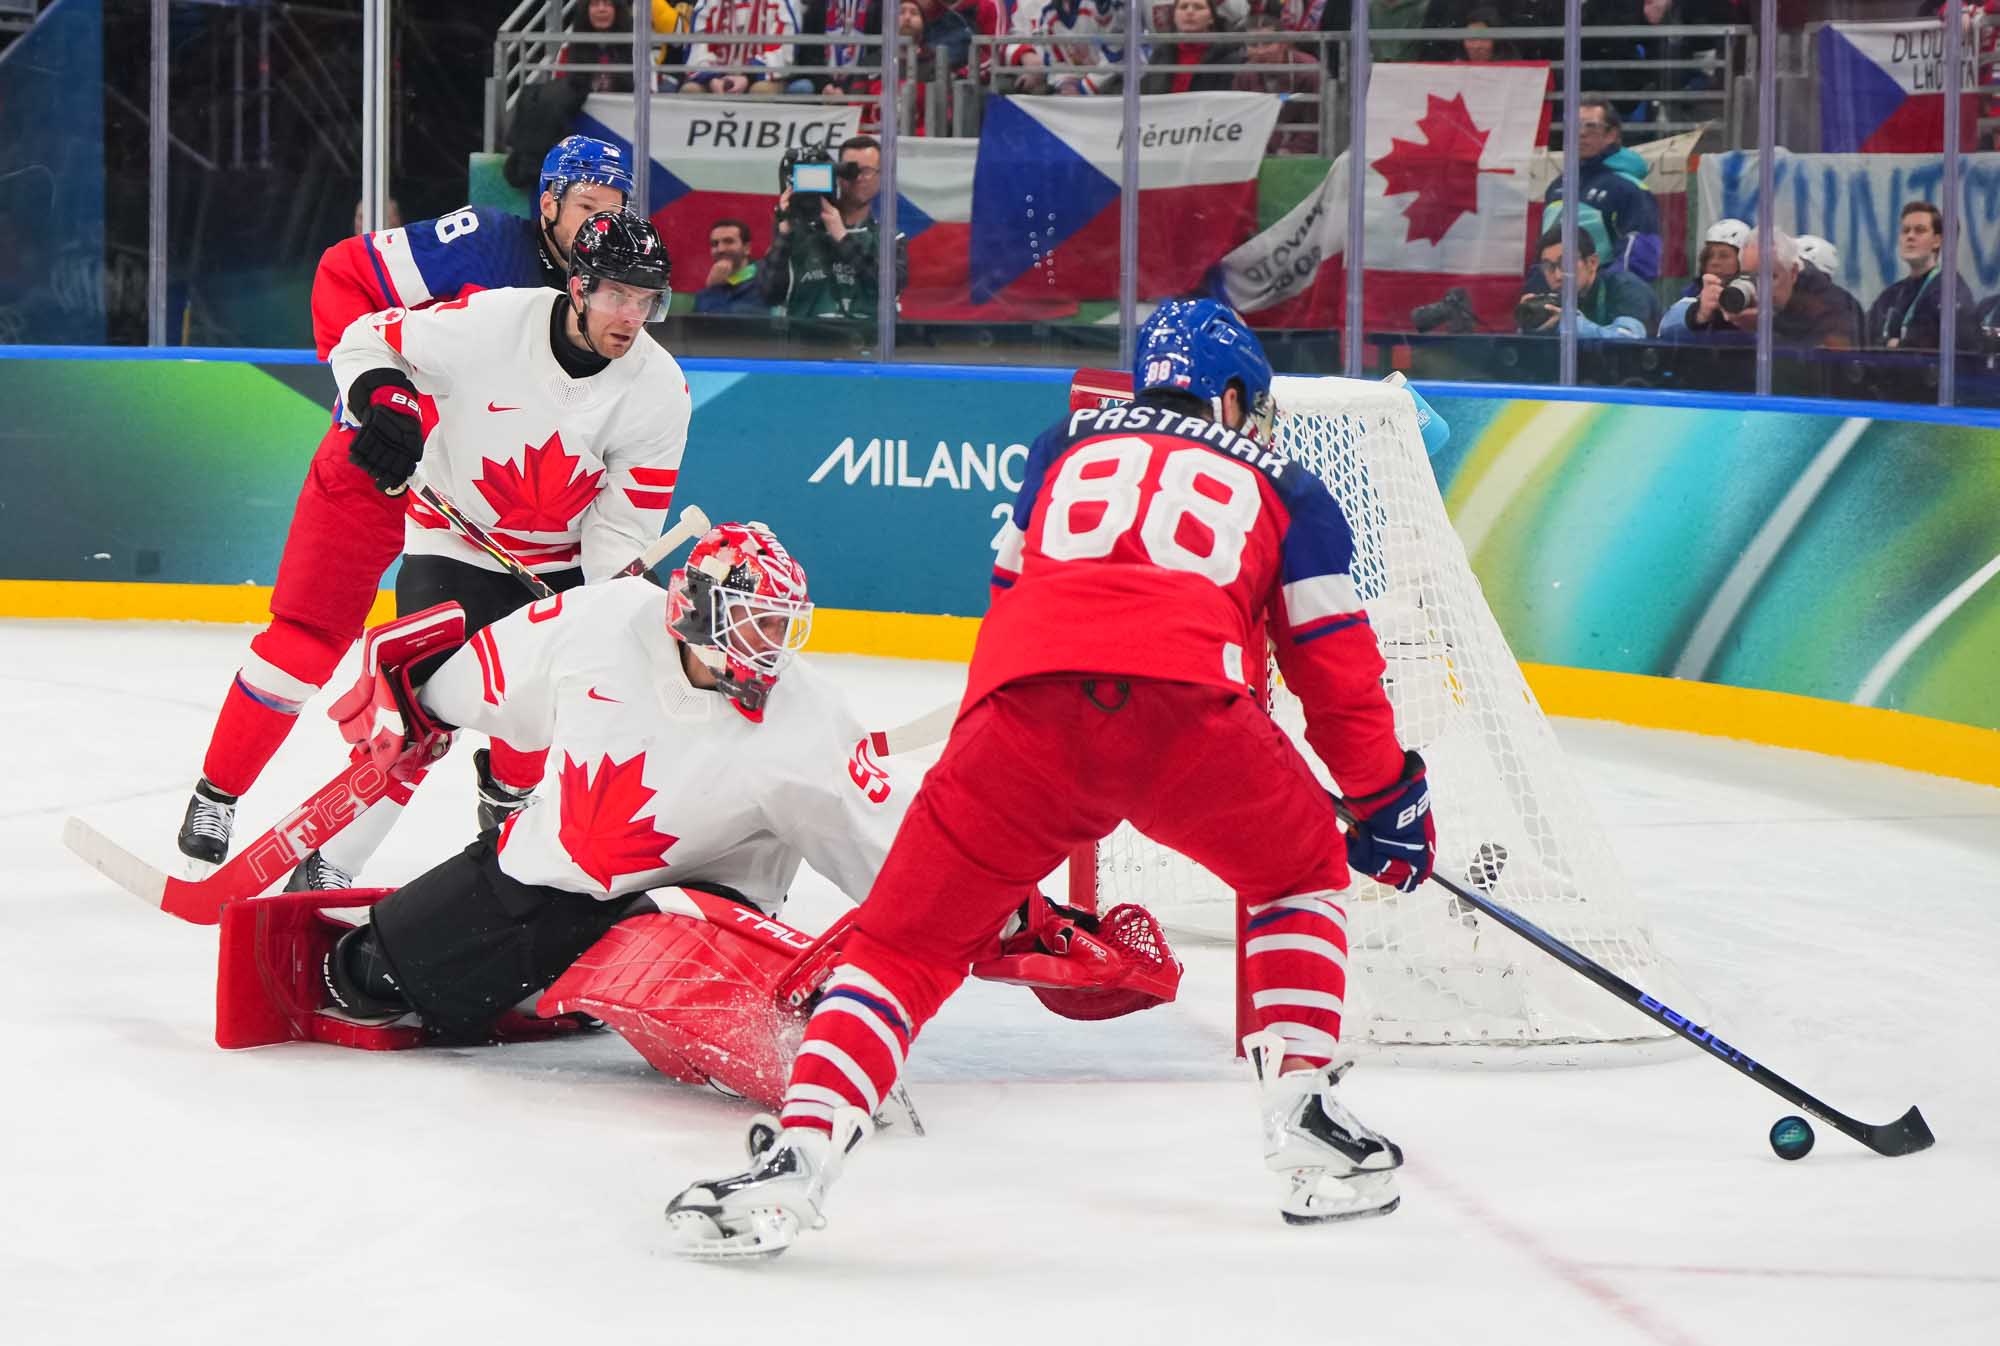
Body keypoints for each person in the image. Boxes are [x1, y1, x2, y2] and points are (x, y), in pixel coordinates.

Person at [666, 300, 1442, 1259]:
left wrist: (992, 750)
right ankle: (1305, 1119)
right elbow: (1336, 671)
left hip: (1021, 720)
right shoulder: (1288, 485)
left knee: (903, 942)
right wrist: (1384, 801)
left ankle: (801, 1151)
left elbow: (1011, 603)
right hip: (1189, 723)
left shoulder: (1061, 446)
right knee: (1298, 875)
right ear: (1234, 394)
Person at [175, 136, 636, 881]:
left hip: (484, 504)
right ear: (548, 203)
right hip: (380, 467)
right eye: (586, 206)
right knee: (306, 637)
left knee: (531, 655)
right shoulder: (483, 243)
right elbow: (344, 274)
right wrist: (381, 395)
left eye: (613, 210)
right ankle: (217, 792)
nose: (598, 226)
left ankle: (508, 791)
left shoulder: (616, 297)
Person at [290, 211, 690, 892]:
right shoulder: (494, 323)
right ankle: (330, 865)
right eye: (618, 294)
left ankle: (508, 798)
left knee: (537, 715)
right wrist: (385, 398)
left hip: (560, 563)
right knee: (420, 713)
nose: (632, 316)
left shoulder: (660, 390)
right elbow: (366, 337)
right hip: (452, 540)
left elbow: (619, 530)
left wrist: (618, 600)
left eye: (646, 300)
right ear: (580, 286)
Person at [762, 135, 910, 321]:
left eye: (866, 171)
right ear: (837, 174)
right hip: (806, 336)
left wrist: (841, 236)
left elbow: (889, 286)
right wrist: (784, 233)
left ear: (882, 177)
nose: (857, 178)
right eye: (850, 171)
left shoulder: (889, 237)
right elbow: (769, 294)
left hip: (866, 336)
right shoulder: (799, 230)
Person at [1660, 229, 1863, 349]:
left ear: (1793, 273)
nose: (1760, 288)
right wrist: (1699, 315)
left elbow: (1833, 358)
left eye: (1769, 277)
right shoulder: (1736, 295)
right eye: (1750, 277)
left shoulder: (1832, 303)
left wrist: (1767, 327)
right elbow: (1666, 335)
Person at [1542, 100, 1662, 281]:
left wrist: (1601, 290)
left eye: (1591, 126)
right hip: (1558, 291)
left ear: (1611, 135)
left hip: (1606, 295)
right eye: (1575, 126)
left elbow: (1642, 258)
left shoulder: (1628, 188)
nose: (1581, 133)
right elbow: (1544, 251)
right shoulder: (1558, 185)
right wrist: (1537, 289)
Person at [1864, 201, 1979, 352]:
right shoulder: (1891, 295)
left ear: (1937, 241)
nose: (1910, 236)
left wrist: (1896, 345)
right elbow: (1865, 338)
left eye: (1920, 230)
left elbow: (1930, 346)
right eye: (1905, 230)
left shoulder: (1950, 291)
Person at [1515, 226, 1658, 338]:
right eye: (1548, 266)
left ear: (1592, 263)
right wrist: (1532, 325)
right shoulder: (1555, 297)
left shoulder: (1626, 287)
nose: (1557, 276)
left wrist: (1570, 325)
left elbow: (1628, 340)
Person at [1233, 2, 1322, 155]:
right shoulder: (1244, 75)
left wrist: (1290, 151)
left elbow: (1316, 123)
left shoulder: (1308, 70)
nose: (1260, 51)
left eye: (1268, 43)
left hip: (1302, 152)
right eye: (1253, 44)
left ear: (1283, 44)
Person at [681, 0, 807, 93]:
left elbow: (784, 52)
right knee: (691, 90)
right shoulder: (707, 3)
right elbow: (699, 49)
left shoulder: (786, 2)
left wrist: (748, 76)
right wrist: (712, 78)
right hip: (717, 76)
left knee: (761, 91)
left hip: (763, 77)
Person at [1656, 217, 1746, 335]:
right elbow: (1667, 326)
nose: (1714, 262)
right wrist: (1699, 313)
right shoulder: (1690, 296)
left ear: (1743, 260)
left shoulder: (1758, 298)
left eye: (1724, 256)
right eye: (1708, 256)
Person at [1143, 0, 1244, 93]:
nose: (1189, 12)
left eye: (1198, 7)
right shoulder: (1160, 54)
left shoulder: (1229, 58)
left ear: (1211, 18)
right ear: (1174, 17)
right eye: (1183, 7)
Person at [556, 0, 636, 93]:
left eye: (608, 4)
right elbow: (561, 91)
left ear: (618, 10)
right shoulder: (567, 50)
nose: (601, 9)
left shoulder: (636, 49)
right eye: (595, 4)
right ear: (585, 10)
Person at [694, 218, 768, 314]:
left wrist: (715, 290)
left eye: (728, 241)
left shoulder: (765, 283)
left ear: (747, 248)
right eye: (715, 244)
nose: (720, 249)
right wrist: (713, 289)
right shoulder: (704, 293)